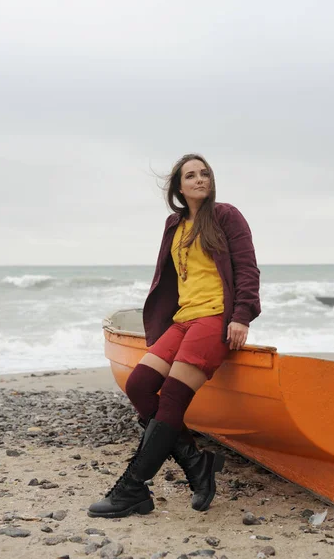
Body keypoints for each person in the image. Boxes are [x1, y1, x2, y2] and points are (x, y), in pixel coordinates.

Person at [88, 154, 261, 519]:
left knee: (171, 401)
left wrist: (242, 316)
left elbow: (247, 267)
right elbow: (170, 279)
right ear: (179, 187)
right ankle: (197, 463)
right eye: (191, 175)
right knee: (138, 385)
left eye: (205, 173)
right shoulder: (175, 224)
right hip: (182, 322)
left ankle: (133, 488)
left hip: (214, 320)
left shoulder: (226, 215)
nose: (200, 179)